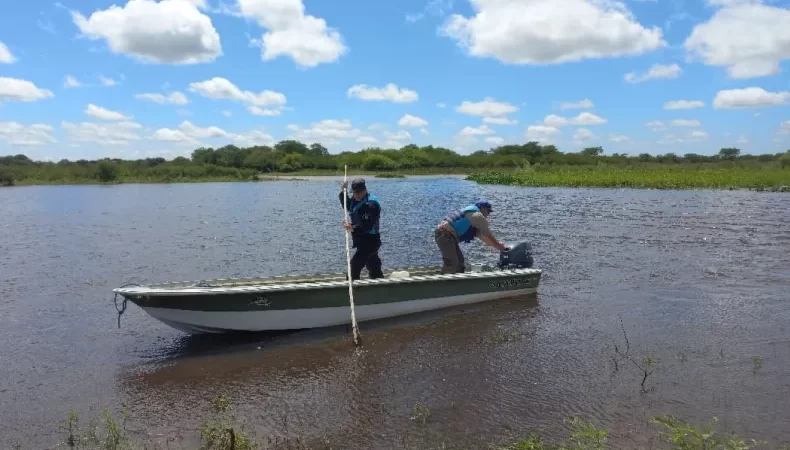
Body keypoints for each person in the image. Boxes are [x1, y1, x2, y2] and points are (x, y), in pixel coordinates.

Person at [434, 200, 508, 274]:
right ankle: (444, 283)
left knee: (460, 263)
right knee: (452, 263)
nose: (488, 214)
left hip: (448, 236)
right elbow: (487, 234)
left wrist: (497, 245)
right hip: (444, 234)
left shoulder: (472, 215)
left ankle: (458, 282)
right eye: (488, 211)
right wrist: (499, 246)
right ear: (483, 208)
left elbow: (483, 237)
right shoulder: (478, 216)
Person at [339, 178, 384, 280]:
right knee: (372, 264)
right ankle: (378, 279)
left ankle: (352, 284)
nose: (357, 195)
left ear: (365, 190)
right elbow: (348, 205)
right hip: (361, 240)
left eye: (359, 192)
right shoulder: (356, 200)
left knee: (353, 268)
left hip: (370, 242)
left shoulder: (371, 205)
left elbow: (366, 226)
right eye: (355, 193)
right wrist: (343, 191)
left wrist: (352, 228)